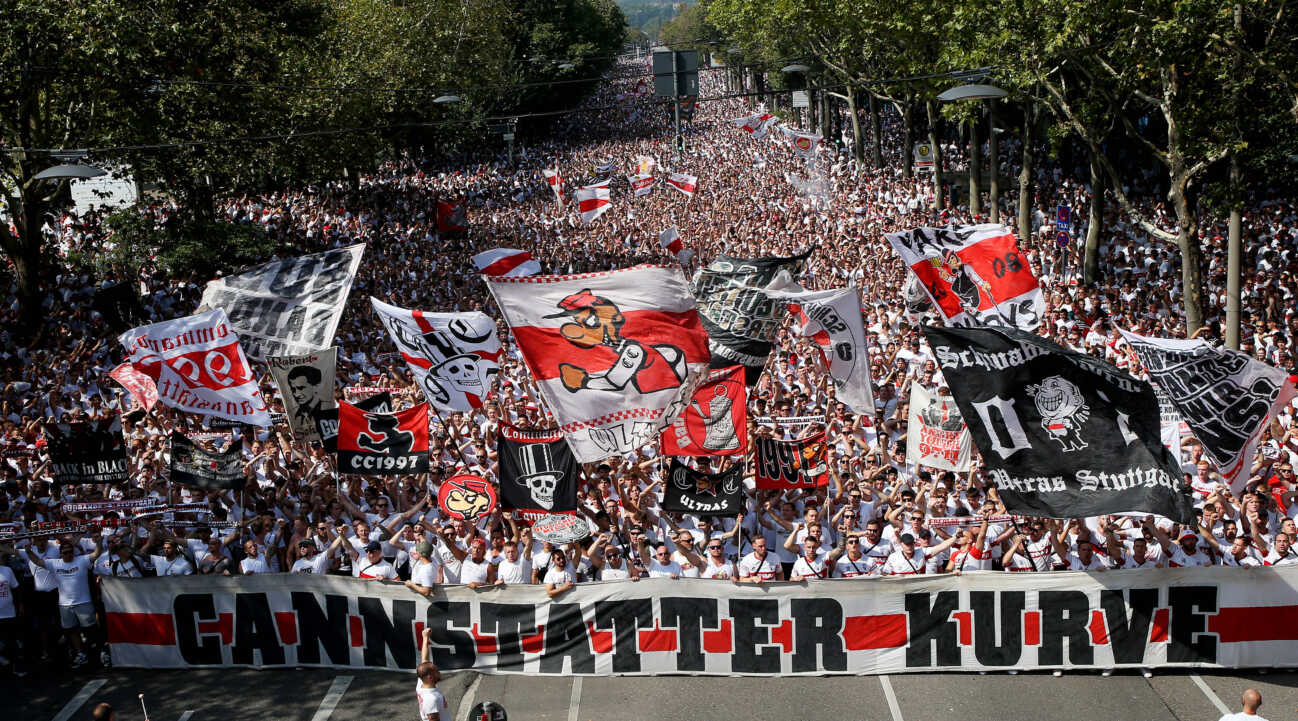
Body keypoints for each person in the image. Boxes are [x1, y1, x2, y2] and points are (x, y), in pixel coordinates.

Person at [416, 627, 448, 721]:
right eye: (436, 671)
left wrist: (425, 638)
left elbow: (424, 659)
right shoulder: (431, 699)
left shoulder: (422, 681)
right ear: (430, 677)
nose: (439, 672)